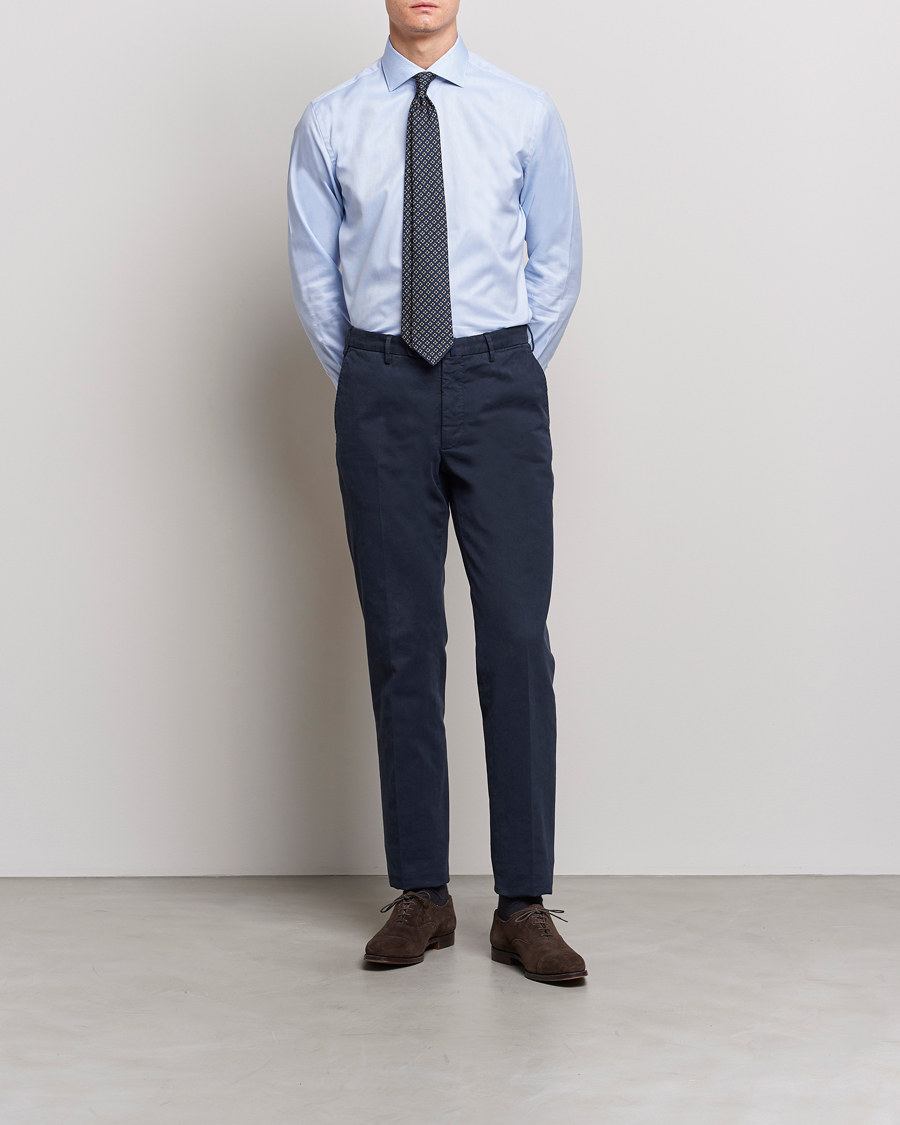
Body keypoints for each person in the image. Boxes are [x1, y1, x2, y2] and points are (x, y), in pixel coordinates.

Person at [288, 0, 585, 983]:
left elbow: (557, 260)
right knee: (404, 640)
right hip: (381, 384)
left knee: (516, 638)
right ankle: (422, 891)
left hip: (498, 380)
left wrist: (500, 366)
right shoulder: (332, 122)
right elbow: (317, 279)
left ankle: (523, 902)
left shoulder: (523, 111)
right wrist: (379, 380)